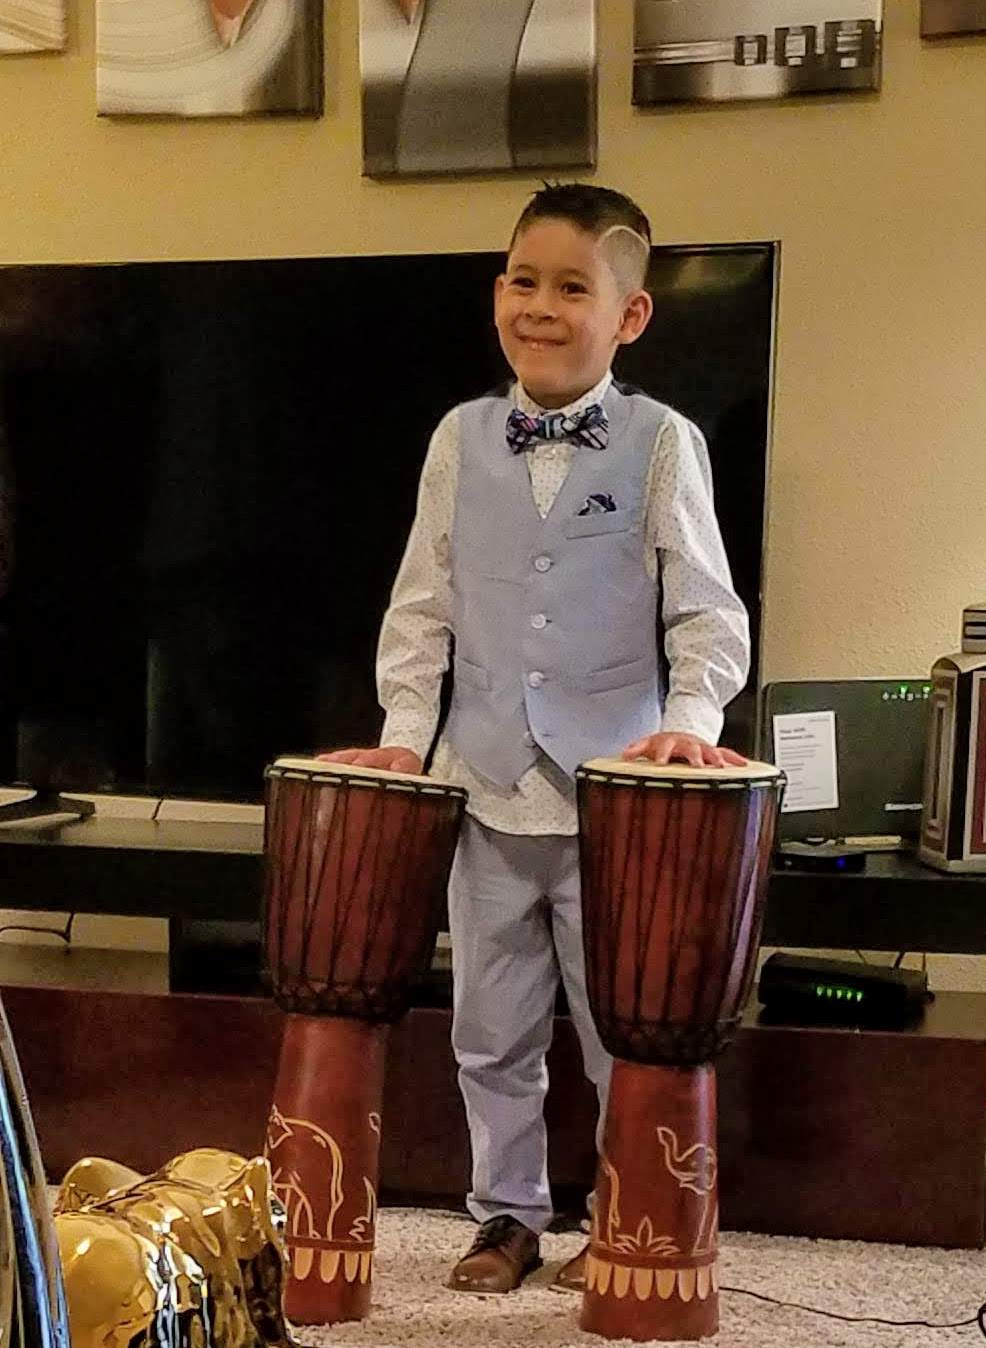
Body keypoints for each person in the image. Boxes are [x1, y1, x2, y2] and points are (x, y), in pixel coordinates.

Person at [321, 183, 750, 1295]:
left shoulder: (665, 442)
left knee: (622, 1030)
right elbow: (424, 605)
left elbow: (704, 608)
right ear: (496, 292)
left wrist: (686, 729)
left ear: (631, 315)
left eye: (572, 287)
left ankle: (625, 1217)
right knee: (489, 1026)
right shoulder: (459, 437)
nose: (541, 306)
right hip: (482, 783)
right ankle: (504, 1217)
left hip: (616, 800)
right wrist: (405, 740)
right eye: (523, 281)